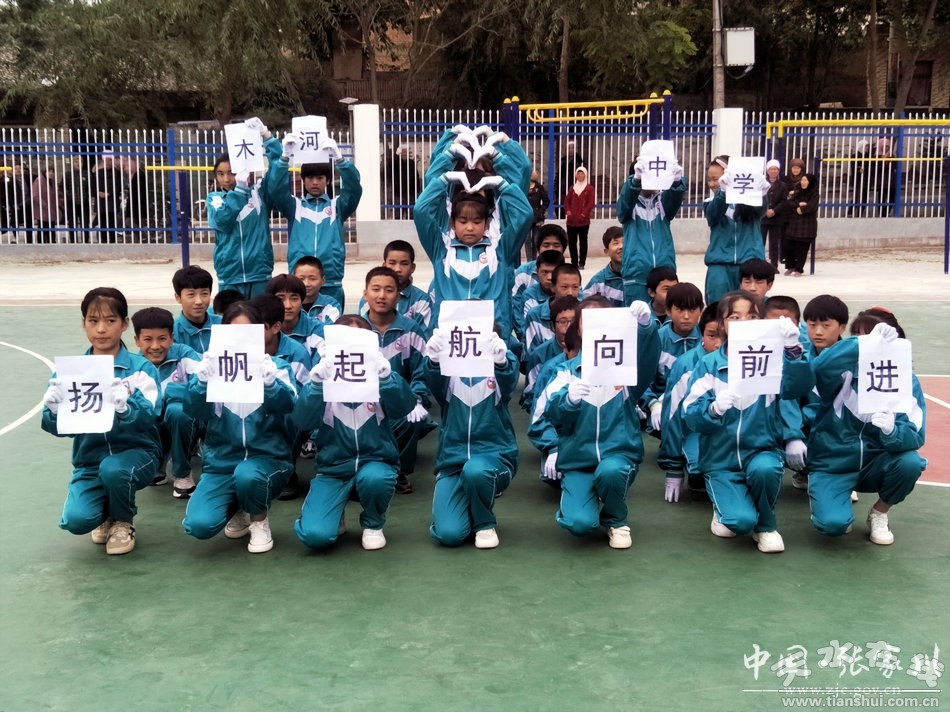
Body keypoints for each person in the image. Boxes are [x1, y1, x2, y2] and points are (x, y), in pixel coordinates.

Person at [682, 291, 812, 553]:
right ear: (722, 324)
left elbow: (797, 388)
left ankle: (766, 526)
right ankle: (725, 509)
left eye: (751, 316)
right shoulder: (708, 365)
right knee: (739, 522)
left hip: (761, 449)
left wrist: (793, 351)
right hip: (720, 459)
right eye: (735, 317)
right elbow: (690, 413)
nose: (744, 322)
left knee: (766, 470)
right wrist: (713, 410)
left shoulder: (773, 359)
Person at [41, 287, 162, 555]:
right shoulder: (71, 372)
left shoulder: (140, 369)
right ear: (83, 323)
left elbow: (151, 415)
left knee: (114, 469)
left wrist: (127, 408)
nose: (101, 329)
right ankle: (106, 512)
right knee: (77, 520)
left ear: (124, 324)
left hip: (138, 454)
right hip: (89, 460)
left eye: (110, 320)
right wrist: (52, 412)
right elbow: (57, 428)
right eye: (93, 320)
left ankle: (123, 521)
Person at [541, 297, 660, 549]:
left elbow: (648, 360)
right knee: (579, 524)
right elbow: (550, 411)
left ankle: (617, 519)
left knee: (611, 472)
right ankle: (581, 501)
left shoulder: (626, 371)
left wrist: (646, 328)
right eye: (588, 320)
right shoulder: (565, 371)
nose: (596, 326)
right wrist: (568, 400)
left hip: (618, 456)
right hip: (578, 461)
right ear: (578, 328)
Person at [182, 301, 297, 554]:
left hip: (268, 461)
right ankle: (237, 507)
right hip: (221, 464)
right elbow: (193, 411)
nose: (241, 338)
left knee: (248, 474)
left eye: (248, 331)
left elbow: (291, 405)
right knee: (199, 525)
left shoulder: (276, 368)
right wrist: (200, 383)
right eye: (234, 331)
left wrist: (271, 384)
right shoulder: (211, 369)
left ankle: (258, 520)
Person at [293, 315, 417, 551]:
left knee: (376, 478)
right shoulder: (322, 376)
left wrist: (387, 378)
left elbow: (404, 407)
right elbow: (302, 420)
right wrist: (316, 385)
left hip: (375, 461)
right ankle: (334, 512)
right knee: (315, 536)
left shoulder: (380, 374)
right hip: (333, 469)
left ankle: (373, 523)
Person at [807, 318, 926, 545]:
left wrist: (892, 432)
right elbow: (819, 368)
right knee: (833, 525)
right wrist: (859, 344)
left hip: (876, 463)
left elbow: (916, 434)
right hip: (833, 463)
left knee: (910, 462)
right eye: (865, 339)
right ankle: (829, 495)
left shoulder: (906, 382)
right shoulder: (840, 375)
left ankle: (879, 512)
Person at [413, 132, 532, 339]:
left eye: (477, 221)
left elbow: (523, 198)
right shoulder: (443, 246)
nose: (470, 227)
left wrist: (501, 156)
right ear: (453, 222)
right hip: (451, 338)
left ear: (486, 223)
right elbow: (422, 207)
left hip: (493, 335)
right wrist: (448, 154)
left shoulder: (499, 245)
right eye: (463, 221)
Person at [424, 324, 519, 549]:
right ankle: (469, 500)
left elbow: (509, 381)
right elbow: (434, 382)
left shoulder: (500, 363)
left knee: (476, 471)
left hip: (494, 457)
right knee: (449, 535)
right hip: (452, 461)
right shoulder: (449, 370)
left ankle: (484, 523)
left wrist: (501, 362)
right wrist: (434, 361)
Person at [268, 132, 362, 307]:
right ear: (303, 180)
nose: (315, 182)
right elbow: (275, 190)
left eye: (320, 178)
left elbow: (354, 189)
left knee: (331, 324)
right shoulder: (294, 206)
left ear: (328, 180)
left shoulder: (337, 206)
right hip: (299, 284)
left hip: (331, 282)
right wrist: (284, 158)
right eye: (310, 178)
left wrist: (340, 160)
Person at [361, 267, 432, 495]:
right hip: (360, 405)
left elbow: (422, 372)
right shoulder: (355, 330)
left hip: (397, 405)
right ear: (365, 294)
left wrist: (416, 399)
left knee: (411, 417)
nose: (382, 296)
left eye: (389, 290)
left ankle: (397, 470)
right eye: (376, 289)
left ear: (398, 296)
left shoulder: (411, 329)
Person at [206, 117, 282, 299]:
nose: (226, 179)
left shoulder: (260, 193)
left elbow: (279, 167)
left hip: (259, 273)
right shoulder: (215, 199)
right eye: (220, 174)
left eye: (231, 172)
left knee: (260, 316)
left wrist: (266, 136)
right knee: (232, 317)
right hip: (229, 275)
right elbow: (222, 222)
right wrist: (239, 190)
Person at [131, 307, 202, 498]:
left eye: (162, 338)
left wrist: (168, 393)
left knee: (177, 411)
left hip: (186, 424)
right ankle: (157, 464)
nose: (155, 346)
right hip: (153, 429)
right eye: (148, 339)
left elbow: (202, 385)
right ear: (137, 340)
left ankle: (182, 473)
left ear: (171, 338)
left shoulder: (184, 355)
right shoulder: (134, 366)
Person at [657, 303, 722, 502]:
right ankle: (697, 473)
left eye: (726, 336)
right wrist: (673, 467)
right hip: (695, 431)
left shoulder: (747, 360)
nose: (719, 344)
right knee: (701, 464)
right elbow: (672, 416)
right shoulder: (686, 365)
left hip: (733, 432)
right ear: (701, 334)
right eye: (712, 335)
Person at [616, 154, 686, 305]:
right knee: (638, 316)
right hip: (636, 274)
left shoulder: (662, 201)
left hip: (665, 273)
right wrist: (635, 181)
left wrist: (676, 181)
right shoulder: (628, 202)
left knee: (667, 314)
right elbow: (623, 209)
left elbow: (675, 197)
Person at [642, 282, 703, 438]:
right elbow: (643, 379)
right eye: (680, 309)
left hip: (700, 406)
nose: (686, 316)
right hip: (663, 407)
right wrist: (653, 404)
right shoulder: (656, 339)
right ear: (668, 310)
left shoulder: (707, 338)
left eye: (692, 310)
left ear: (701, 310)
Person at [703, 156, 768, 304]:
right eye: (709, 180)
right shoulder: (710, 202)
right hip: (720, 264)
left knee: (750, 309)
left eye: (715, 179)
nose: (712, 184)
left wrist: (763, 194)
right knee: (718, 308)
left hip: (749, 263)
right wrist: (723, 192)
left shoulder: (751, 202)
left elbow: (761, 211)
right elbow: (713, 216)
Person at [359, 240, 434, 336]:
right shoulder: (368, 299)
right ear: (384, 265)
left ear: (413, 267)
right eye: (392, 263)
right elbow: (362, 333)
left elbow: (423, 338)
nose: (397, 269)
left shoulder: (422, 300)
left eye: (404, 263)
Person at [524, 263, 581, 354]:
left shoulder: (585, 313)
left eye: (575, 287)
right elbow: (531, 355)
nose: (570, 292)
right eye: (564, 287)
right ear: (553, 287)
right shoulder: (535, 316)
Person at [172, 265, 222, 354]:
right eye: (191, 294)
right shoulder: (172, 332)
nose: (199, 301)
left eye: (204, 293)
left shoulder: (223, 323)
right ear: (178, 297)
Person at [782, 173, 820, 277]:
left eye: (805, 180)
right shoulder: (797, 192)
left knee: (802, 248)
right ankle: (791, 266)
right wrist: (798, 205)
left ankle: (799, 269)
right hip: (794, 224)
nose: (803, 182)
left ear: (810, 182)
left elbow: (812, 207)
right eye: (802, 180)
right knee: (788, 245)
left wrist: (801, 210)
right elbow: (789, 203)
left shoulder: (814, 194)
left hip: (807, 225)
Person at [293, 256, 342, 325]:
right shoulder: (287, 305)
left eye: (312, 279)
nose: (306, 284)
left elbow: (329, 330)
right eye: (301, 279)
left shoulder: (331, 305)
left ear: (323, 280)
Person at [583, 226, 624, 306]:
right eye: (616, 243)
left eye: (625, 242)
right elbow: (583, 307)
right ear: (606, 251)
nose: (621, 247)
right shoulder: (598, 282)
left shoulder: (640, 276)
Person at [564, 166, 594, 268]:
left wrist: (583, 214)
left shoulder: (589, 188)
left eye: (582, 173)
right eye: (578, 173)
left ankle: (582, 262)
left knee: (583, 242)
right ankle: (574, 262)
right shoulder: (572, 188)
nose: (580, 175)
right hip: (571, 221)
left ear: (585, 175)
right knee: (572, 242)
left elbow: (591, 203)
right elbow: (566, 201)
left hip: (583, 221)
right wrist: (568, 212)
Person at [761, 159, 788, 268]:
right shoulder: (762, 183)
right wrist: (765, 210)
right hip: (763, 217)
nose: (773, 171)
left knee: (774, 242)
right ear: (767, 171)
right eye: (771, 169)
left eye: (775, 169)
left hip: (776, 218)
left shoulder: (782, 185)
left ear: (778, 171)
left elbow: (784, 201)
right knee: (760, 241)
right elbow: (759, 198)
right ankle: (760, 262)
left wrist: (774, 210)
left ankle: (774, 264)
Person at [94, 151, 123, 243]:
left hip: (112, 202)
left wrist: (109, 193)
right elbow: (93, 185)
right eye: (106, 160)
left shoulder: (117, 173)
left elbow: (119, 186)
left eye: (110, 160)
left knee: (112, 223)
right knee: (102, 224)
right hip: (101, 203)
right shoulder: (98, 173)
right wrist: (98, 192)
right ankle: (104, 242)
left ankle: (113, 242)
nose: (108, 162)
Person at [62, 155, 91, 244]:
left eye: (80, 162)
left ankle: (85, 242)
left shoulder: (87, 174)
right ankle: (73, 242)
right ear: (72, 163)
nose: (78, 163)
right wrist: (69, 196)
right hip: (72, 204)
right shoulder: (68, 174)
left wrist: (87, 196)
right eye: (76, 161)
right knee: (72, 224)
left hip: (84, 203)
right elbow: (63, 188)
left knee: (85, 224)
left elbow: (91, 188)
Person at [32, 164, 61, 244]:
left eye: (52, 171)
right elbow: (35, 196)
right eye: (49, 171)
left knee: (51, 230)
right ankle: (41, 246)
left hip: (51, 211)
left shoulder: (52, 181)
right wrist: (45, 205)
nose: (51, 173)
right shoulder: (39, 180)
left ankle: (51, 245)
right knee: (42, 229)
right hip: (42, 211)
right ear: (44, 171)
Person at [525, 170, 550, 263]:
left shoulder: (539, 187)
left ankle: (534, 260)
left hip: (537, 217)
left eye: (536, 174)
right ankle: (529, 260)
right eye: (533, 174)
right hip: (526, 217)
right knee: (527, 240)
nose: (535, 176)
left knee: (535, 239)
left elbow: (546, 201)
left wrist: (541, 211)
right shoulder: (523, 187)